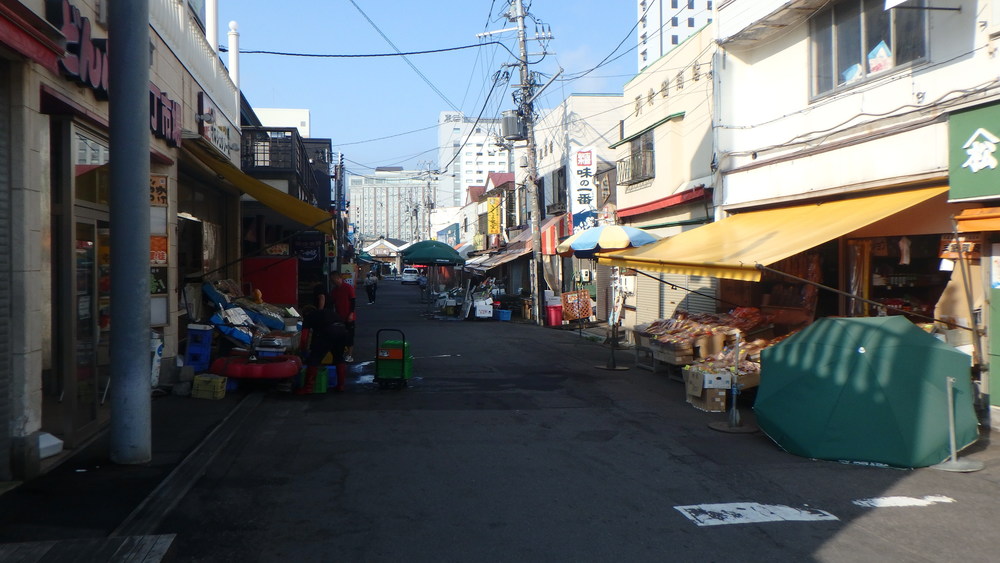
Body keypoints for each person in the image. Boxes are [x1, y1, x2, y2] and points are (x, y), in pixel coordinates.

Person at [298, 306, 348, 394]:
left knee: (314, 359)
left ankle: (308, 388)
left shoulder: (309, 317)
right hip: (342, 331)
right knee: (339, 358)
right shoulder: (326, 312)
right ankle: (341, 386)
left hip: (328, 332)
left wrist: (303, 351)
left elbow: (304, 338)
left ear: (305, 314)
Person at [328, 271, 356, 363]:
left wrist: (351, 313)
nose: (332, 282)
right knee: (339, 336)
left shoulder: (348, 287)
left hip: (348, 316)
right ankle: (341, 353)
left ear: (338, 278)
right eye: (331, 280)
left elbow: (353, 301)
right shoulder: (334, 290)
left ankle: (350, 355)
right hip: (339, 317)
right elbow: (332, 303)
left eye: (333, 280)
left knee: (349, 336)